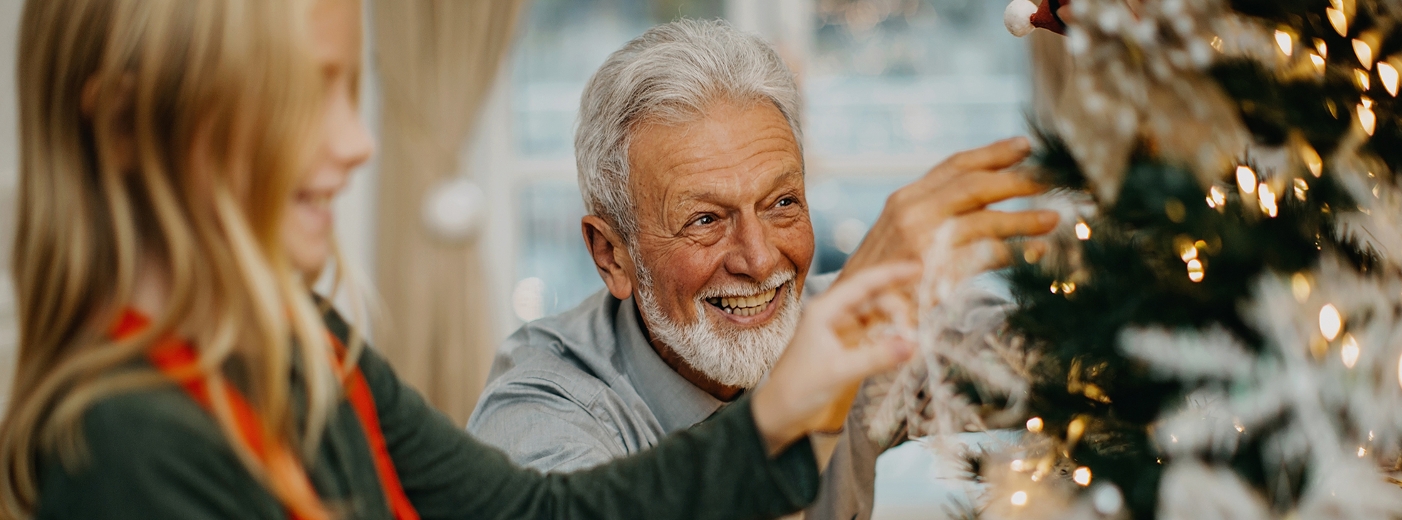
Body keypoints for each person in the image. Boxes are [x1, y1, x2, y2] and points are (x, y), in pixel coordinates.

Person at [0, 1, 922, 519]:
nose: (359, 142)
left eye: (351, 92)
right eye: (303, 96)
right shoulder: (128, 449)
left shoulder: (301, 340)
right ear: (127, 123)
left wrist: (785, 402)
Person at [465, 19, 1060, 520]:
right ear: (611, 255)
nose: (760, 259)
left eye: (782, 204)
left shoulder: (847, 320)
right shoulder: (540, 407)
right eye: (704, 220)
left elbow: (1074, 363)